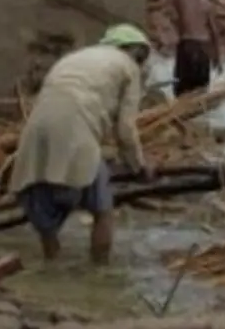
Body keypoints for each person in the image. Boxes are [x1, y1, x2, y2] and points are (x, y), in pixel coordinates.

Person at [8, 23, 154, 265]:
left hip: (37, 129)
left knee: (46, 219)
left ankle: (51, 267)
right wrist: (139, 166)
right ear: (134, 52)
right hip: (77, 130)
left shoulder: (75, 59)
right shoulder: (128, 67)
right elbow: (125, 130)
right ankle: (99, 272)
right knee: (103, 211)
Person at [172, 0, 222, 97]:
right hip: (204, 49)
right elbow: (214, 32)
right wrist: (217, 58)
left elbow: (175, 18)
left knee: (182, 90)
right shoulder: (206, 2)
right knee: (201, 91)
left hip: (187, 46)